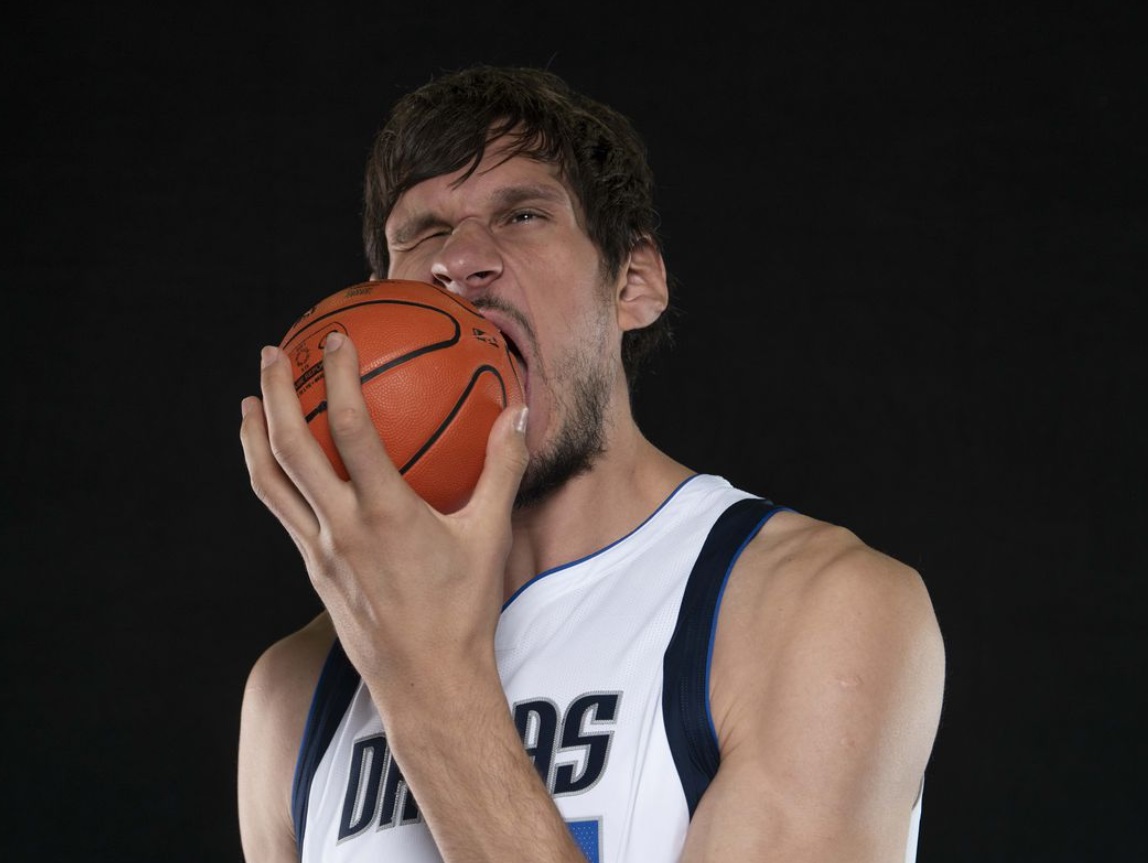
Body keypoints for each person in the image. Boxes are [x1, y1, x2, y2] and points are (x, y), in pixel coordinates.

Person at [237, 65, 945, 863]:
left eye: (524, 214)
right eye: (425, 233)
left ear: (633, 284)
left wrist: (425, 678)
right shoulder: (296, 693)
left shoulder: (806, 607)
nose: (462, 259)